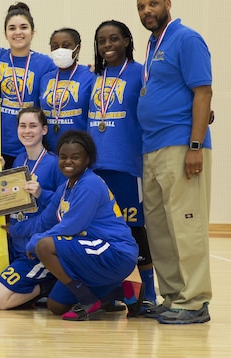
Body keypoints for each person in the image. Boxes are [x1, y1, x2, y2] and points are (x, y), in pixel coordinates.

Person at [135, 0, 213, 324]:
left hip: (181, 145)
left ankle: (195, 301)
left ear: (168, 4)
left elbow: (203, 91)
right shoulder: (153, 44)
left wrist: (195, 146)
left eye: (152, 3)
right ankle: (174, 296)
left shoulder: (186, 38)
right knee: (160, 229)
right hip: (151, 149)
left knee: (185, 225)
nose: (146, 10)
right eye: (141, 6)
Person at [18, 130, 143, 321]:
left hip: (115, 251)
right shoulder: (66, 187)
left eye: (75, 157)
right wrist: (16, 231)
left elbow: (70, 227)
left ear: (87, 160)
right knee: (56, 305)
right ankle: (122, 291)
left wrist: (35, 242)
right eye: (63, 157)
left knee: (44, 246)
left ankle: (87, 299)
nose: (68, 162)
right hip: (91, 250)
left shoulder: (90, 184)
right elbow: (46, 219)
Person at [88, 20, 157, 312]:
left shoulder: (140, 73)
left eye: (114, 39)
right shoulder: (94, 76)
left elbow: (160, 105)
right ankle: (112, 293)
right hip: (95, 171)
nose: (108, 46)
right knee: (100, 234)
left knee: (135, 230)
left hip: (128, 168)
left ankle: (150, 295)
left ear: (127, 40)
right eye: (102, 41)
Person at [0, 107, 65, 310]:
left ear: (44, 130)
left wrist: (42, 194)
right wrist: (0, 175)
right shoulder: (18, 160)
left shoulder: (54, 164)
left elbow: (66, 208)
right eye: (22, 126)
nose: (27, 131)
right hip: (16, 247)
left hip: (36, 251)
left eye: (33, 126)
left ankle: (49, 284)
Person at [0, 3, 56, 169]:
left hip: (29, 147)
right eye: (12, 28)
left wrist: (93, 70)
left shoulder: (46, 63)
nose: (18, 32)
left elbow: (66, 76)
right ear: (5, 34)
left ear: (32, 32)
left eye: (24, 27)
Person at [39, 28, 94, 152]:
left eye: (66, 46)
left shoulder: (90, 75)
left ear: (77, 48)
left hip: (79, 151)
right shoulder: (45, 79)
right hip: (49, 152)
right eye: (55, 47)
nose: (60, 50)